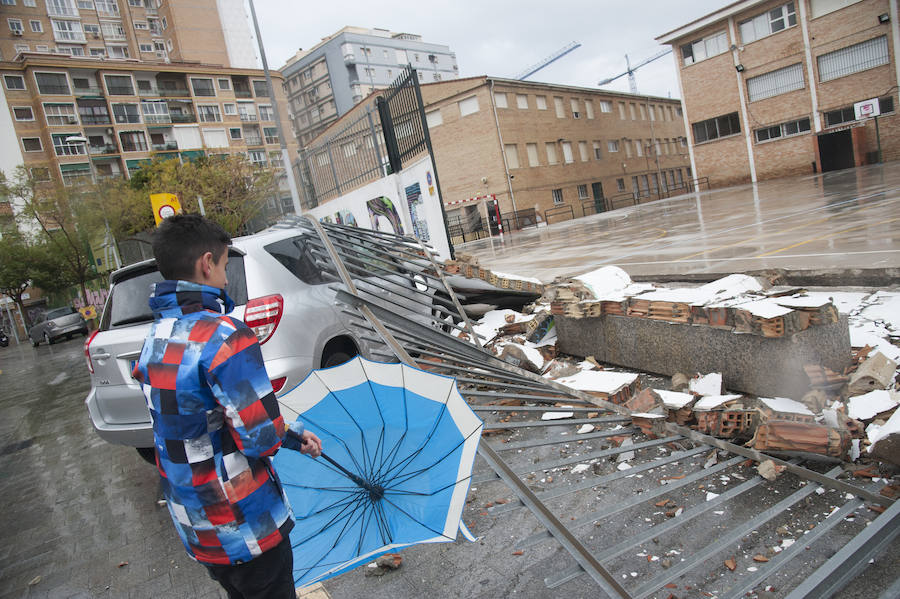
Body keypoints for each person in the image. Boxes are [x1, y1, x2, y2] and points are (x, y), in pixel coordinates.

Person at [132, 213, 322, 599]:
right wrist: (287, 436)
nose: (224, 277)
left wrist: (294, 438)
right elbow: (260, 437)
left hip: (196, 524)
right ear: (206, 263)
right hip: (245, 523)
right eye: (223, 265)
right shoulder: (224, 336)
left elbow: (197, 425)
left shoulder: (155, 338)